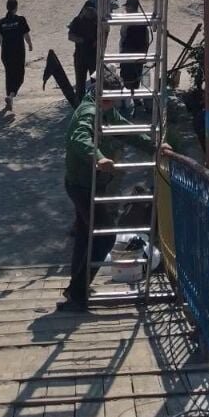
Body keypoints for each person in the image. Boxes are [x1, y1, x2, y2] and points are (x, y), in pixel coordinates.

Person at [58, 73, 130, 311]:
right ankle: (78, 292)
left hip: (87, 184)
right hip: (82, 185)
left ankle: (75, 288)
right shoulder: (88, 112)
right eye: (109, 98)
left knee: (85, 235)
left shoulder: (106, 109)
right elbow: (79, 139)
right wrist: (99, 158)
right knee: (105, 236)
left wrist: (153, 143)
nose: (113, 103)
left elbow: (125, 129)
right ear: (98, 94)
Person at [0, 0, 33, 113]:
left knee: (9, 75)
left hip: (5, 54)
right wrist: (30, 44)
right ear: (16, 7)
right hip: (18, 53)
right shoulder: (20, 20)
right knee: (19, 76)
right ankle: (11, 96)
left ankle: (9, 97)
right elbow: (26, 34)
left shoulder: (2, 22)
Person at [119, 0, 151, 116]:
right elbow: (147, 39)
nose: (126, 9)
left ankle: (128, 103)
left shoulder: (129, 20)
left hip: (128, 53)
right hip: (139, 53)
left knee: (127, 78)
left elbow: (123, 37)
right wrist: (145, 53)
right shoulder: (142, 20)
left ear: (131, 7)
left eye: (127, 6)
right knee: (136, 77)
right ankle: (135, 100)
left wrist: (121, 53)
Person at [67, 0, 98, 100]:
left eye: (92, 10)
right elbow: (70, 36)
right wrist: (81, 40)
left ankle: (95, 102)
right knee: (80, 83)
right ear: (84, 9)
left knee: (96, 83)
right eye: (87, 10)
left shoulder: (97, 21)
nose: (89, 12)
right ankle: (80, 103)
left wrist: (97, 42)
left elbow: (104, 34)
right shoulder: (77, 20)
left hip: (94, 56)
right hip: (80, 55)